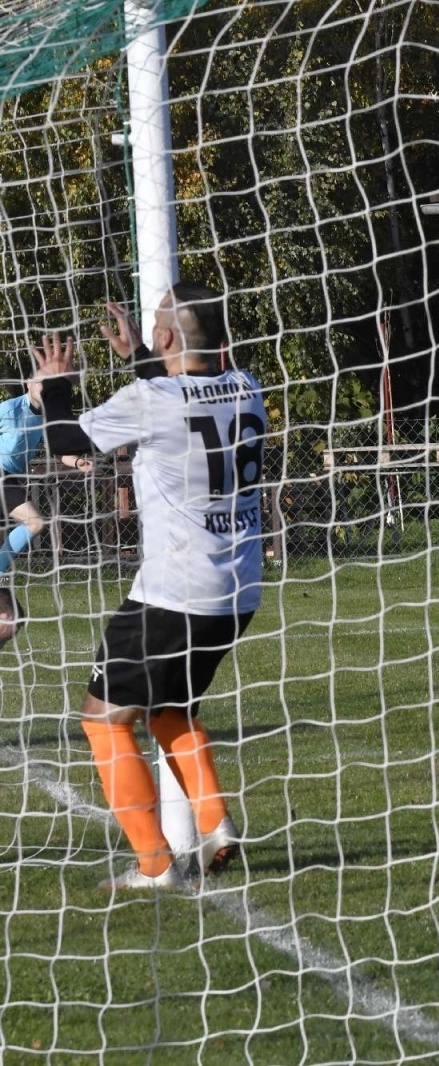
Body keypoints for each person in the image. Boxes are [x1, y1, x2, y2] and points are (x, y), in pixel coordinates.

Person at [34, 283, 266, 890]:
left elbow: (66, 443)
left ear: (165, 335)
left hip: (174, 591)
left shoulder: (151, 396)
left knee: (102, 718)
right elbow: (185, 399)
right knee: (169, 708)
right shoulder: (248, 388)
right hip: (237, 590)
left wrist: (55, 382)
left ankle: (154, 863)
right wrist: (143, 351)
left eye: (158, 318)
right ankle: (216, 823)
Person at [0, 374, 92, 648]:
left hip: (13, 480)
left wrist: (76, 461)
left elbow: (56, 449)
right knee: (36, 523)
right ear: (29, 383)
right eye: (41, 381)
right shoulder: (8, 410)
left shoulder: (47, 416)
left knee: (36, 524)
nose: (44, 386)